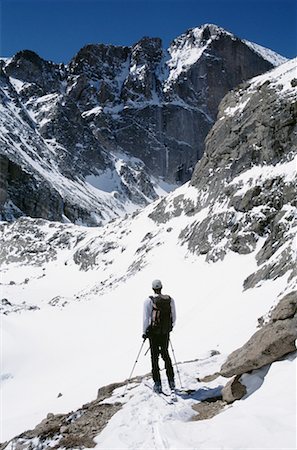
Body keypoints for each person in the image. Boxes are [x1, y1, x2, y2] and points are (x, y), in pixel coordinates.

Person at [142, 279, 176, 393]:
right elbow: (173, 316)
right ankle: (171, 381)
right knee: (166, 354)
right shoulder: (170, 300)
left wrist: (144, 332)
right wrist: (169, 328)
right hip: (165, 332)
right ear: (161, 287)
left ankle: (157, 384)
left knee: (154, 357)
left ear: (153, 288)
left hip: (153, 333)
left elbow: (146, 318)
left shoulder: (149, 301)